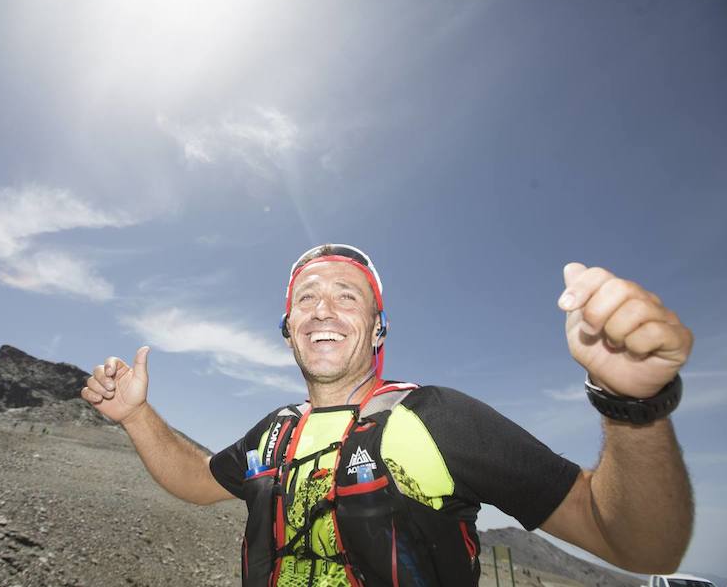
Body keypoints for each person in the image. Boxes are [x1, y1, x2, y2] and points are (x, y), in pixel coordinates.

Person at [82, 244, 694, 586]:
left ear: (379, 328)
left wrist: (633, 406)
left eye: (347, 297)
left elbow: (642, 546)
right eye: (306, 299)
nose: (323, 309)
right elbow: (194, 479)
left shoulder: (440, 418)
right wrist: (137, 416)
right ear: (288, 328)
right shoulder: (273, 432)